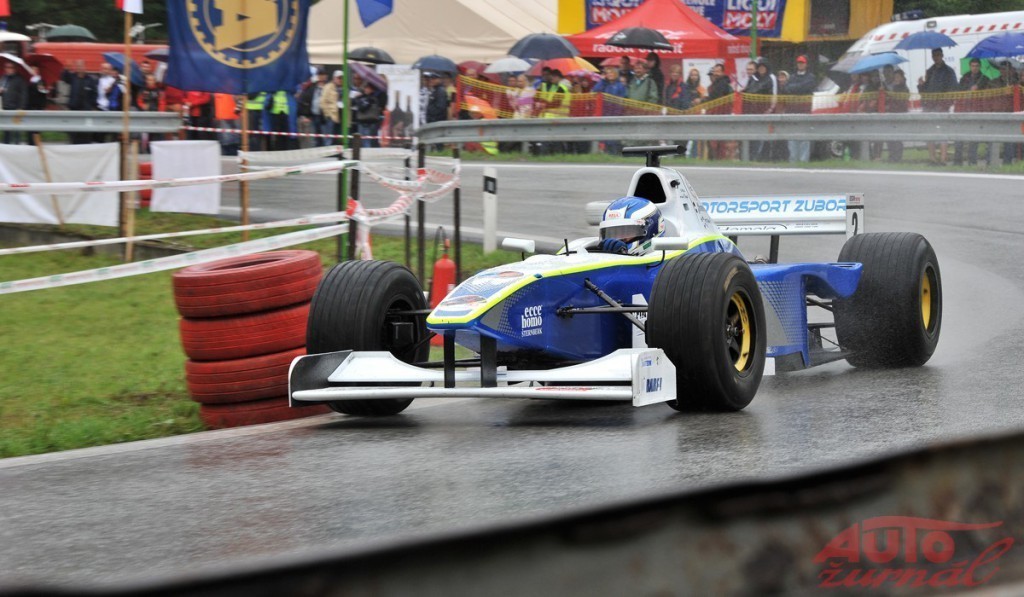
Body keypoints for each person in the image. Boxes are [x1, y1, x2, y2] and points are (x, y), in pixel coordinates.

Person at [917, 48, 957, 165]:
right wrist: (921, 85)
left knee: (943, 133)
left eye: (938, 55)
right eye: (934, 55)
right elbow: (924, 92)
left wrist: (946, 103)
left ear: (942, 55)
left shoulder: (949, 71)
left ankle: (943, 159)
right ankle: (932, 158)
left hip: (942, 107)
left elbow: (954, 88)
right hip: (929, 107)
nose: (936, 57)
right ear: (932, 57)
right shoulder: (930, 71)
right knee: (929, 133)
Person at [595, 197, 665, 256]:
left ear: (651, 231)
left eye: (626, 232)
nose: (615, 241)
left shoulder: (666, 265)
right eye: (612, 233)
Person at [954, 57, 988, 166]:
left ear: (980, 66)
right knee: (959, 137)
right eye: (973, 66)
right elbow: (959, 90)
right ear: (970, 66)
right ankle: (957, 161)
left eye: (977, 66)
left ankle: (972, 161)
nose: (975, 68)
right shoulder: (964, 78)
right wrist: (969, 90)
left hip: (977, 110)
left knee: (974, 138)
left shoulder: (984, 78)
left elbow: (987, 93)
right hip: (964, 110)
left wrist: (978, 87)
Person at [786, 55, 816, 162]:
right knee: (792, 137)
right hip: (792, 110)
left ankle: (804, 160)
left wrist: (795, 88)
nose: (800, 64)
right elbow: (787, 88)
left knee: (804, 136)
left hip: (805, 110)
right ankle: (793, 160)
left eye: (802, 63)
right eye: (799, 62)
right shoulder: (792, 77)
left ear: (806, 64)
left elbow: (807, 87)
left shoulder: (811, 77)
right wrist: (799, 87)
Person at [593, 66, 627, 155]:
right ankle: (607, 151)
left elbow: (622, 99)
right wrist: (602, 80)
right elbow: (596, 90)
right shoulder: (605, 84)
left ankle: (615, 152)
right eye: (608, 73)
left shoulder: (620, 85)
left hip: (616, 113)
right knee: (606, 134)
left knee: (614, 135)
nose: (610, 75)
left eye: (611, 72)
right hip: (605, 112)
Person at [297, 68, 329, 147]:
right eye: (320, 75)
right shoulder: (311, 86)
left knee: (325, 138)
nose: (321, 77)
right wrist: (305, 115)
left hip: (325, 117)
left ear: (326, 76)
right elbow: (303, 99)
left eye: (323, 75)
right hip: (313, 116)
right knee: (315, 138)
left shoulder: (329, 87)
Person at [886, 69, 910, 162]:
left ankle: (897, 157)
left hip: (900, 115)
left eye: (898, 77)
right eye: (895, 77)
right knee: (890, 137)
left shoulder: (904, 88)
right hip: (892, 114)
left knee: (898, 138)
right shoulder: (893, 88)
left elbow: (903, 103)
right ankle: (892, 155)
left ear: (902, 78)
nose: (896, 79)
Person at [353, 80, 383, 148]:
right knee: (362, 140)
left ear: (372, 89)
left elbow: (364, 108)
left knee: (369, 140)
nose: (366, 90)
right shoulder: (361, 97)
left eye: (368, 88)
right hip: (361, 121)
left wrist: (363, 101)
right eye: (366, 88)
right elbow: (355, 105)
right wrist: (357, 98)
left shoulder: (374, 98)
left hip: (371, 122)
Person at [320, 71, 344, 145]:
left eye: (342, 78)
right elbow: (323, 101)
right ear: (334, 78)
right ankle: (328, 150)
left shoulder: (345, 88)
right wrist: (328, 114)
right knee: (329, 137)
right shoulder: (328, 87)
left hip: (341, 115)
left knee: (340, 138)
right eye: (339, 78)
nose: (340, 80)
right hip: (331, 116)